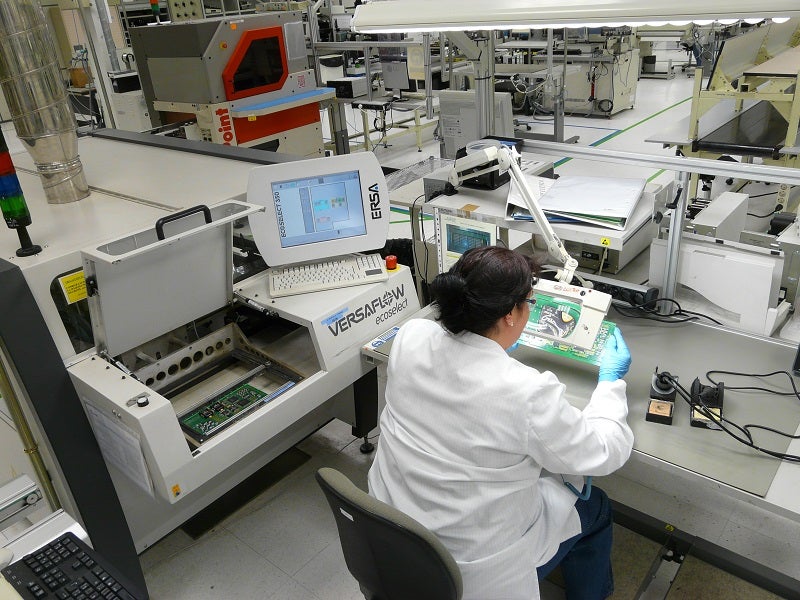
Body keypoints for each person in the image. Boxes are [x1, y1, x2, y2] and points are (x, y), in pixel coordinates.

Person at [367, 246, 633, 600]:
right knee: (595, 506)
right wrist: (611, 383)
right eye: (530, 303)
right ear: (510, 314)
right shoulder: (527, 392)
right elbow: (604, 451)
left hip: (394, 534)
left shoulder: (411, 335)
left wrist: (494, 351)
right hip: (474, 571)